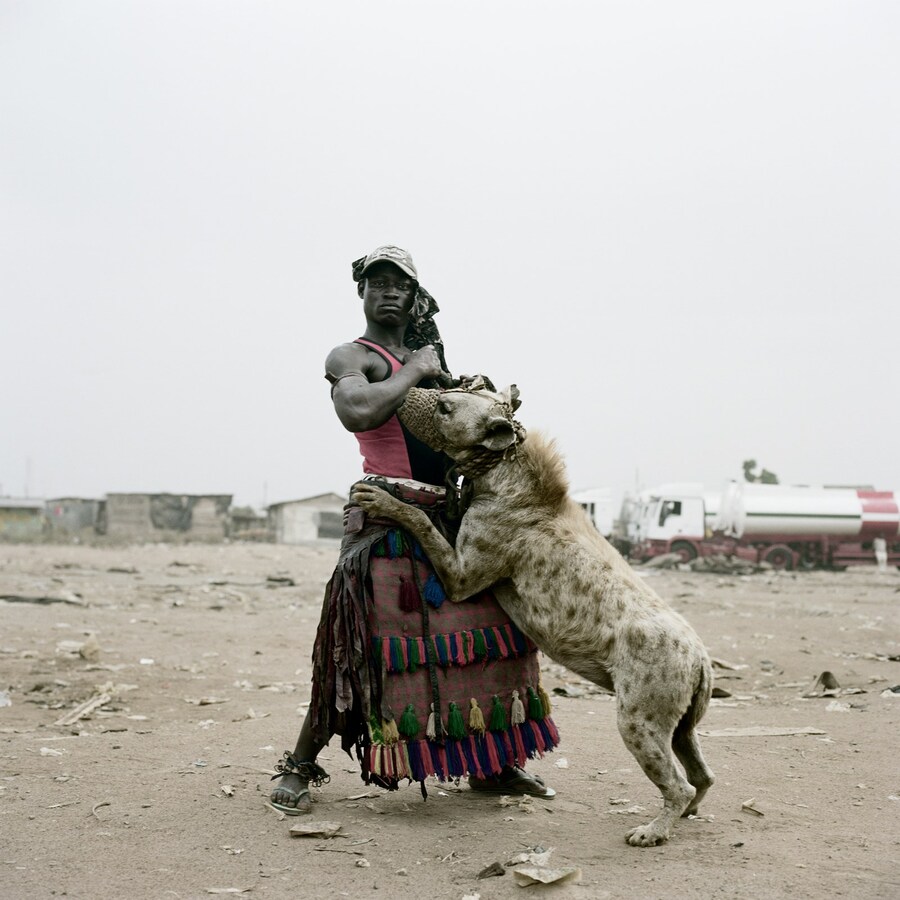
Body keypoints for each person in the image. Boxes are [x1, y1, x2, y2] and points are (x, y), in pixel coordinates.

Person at [269, 245, 559, 815]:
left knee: (493, 639)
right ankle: (301, 767)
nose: (390, 291)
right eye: (378, 282)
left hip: (449, 521)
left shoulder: (432, 358)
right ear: (363, 293)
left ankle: (494, 765)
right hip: (385, 521)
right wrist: (418, 371)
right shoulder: (354, 355)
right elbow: (356, 411)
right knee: (357, 652)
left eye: (400, 283)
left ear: (416, 294)